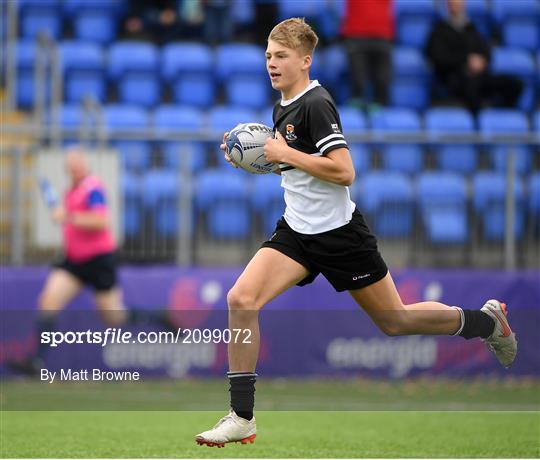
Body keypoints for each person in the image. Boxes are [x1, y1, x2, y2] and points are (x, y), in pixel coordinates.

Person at [194, 18, 517, 448]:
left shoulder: (316, 103)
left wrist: (282, 152)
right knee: (241, 299)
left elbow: (344, 171)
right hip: (297, 232)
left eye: (281, 56)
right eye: (269, 55)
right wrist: (255, 157)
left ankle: (484, 321)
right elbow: (296, 163)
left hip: (340, 234)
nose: (271, 63)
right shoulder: (283, 106)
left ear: (305, 61)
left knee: (395, 321)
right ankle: (241, 417)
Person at [9, 148, 170, 376]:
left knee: (114, 317)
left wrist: (68, 216)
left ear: (84, 165)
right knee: (48, 301)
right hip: (73, 261)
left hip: (98, 261)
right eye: (70, 164)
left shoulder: (93, 188)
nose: (74, 168)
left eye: (77, 163)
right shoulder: (70, 191)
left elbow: (100, 220)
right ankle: (36, 361)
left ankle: (159, 316)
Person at [426, 0, 522, 113]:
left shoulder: (471, 28)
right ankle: (477, 122)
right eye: (453, 4)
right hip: (455, 78)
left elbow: (485, 50)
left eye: (459, 4)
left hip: (480, 75)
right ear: (448, 6)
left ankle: (505, 117)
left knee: (514, 84)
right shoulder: (440, 30)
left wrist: (482, 61)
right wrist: (466, 61)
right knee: (472, 86)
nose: (457, 7)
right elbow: (438, 56)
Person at [341, 0, 394, 108]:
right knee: (358, 81)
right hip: (356, 36)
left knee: (382, 81)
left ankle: (380, 109)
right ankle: (357, 111)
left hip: (382, 37)